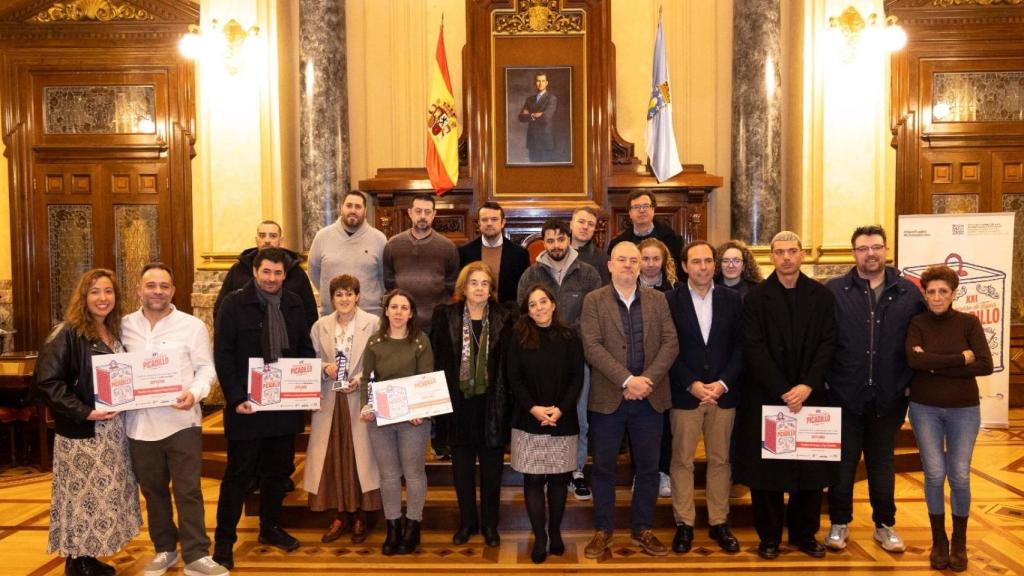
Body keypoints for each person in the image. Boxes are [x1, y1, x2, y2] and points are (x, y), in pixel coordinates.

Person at [734, 231, 837, 560]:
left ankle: (805, 534)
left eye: (792, 251)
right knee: (768, 473)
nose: (787, 257)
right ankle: (769, 537)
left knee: (810, 469)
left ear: (802, 254)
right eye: (780, 252)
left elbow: (829, 343)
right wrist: (782, 389)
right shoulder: (755, 298)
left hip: (810, 397)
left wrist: (807, 385)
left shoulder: (821, 296)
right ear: (771, 257)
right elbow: (753, 347)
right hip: (768, 396)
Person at [33, 268, 142, 576]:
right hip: (83, 431)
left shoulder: (114, 331)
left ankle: (88, 557)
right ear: (83, 297)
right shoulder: (67, 332)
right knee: (80, 497)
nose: (102, 298)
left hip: (113, 430)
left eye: (108, 291)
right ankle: (77, 561)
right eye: (95, 292)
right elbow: (48, 382)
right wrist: (85, 411)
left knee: (102, 496)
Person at [213, 248, 317, 570]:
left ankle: (270, 527)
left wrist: (305, 389)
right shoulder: (233, 304)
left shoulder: (294, 303)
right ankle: (224, 542)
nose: (272, 278)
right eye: (266, 272)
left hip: (284, 405)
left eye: (278, 273)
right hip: (247, 407)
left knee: (278, 471)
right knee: (239, 475)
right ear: (255, 272)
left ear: (285, 275)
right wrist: (235, 398)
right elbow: (223, 354)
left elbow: (304, 350)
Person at [121, 263, 228, 576]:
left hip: (182, 423)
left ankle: (196, 555)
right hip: (139, 425)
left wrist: (194, 393)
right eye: (151, 285)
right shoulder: (124, 326)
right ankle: (165, 549)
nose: (158, 291)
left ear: (173, 291)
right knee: (153, 492)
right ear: (139, 290)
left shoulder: (191, 326)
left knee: (188, 491)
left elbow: (206, 368)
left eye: (164, 286)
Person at [823, 226, 925, 554]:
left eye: (876, 247)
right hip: (844, 393)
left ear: (886, 250)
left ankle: (885, 525)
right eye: (863, 248)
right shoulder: (835, 290)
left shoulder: (908, 292)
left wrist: (909, 382)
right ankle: (839, 523)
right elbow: (822, 339)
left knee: (882, 463)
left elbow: (922, 339)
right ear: (854, 253)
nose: (871, 253)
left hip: (890, 395)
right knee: (843, 464)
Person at [580, 241, 679, 558]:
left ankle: (643, 528)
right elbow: (592, 347)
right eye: (621, 260)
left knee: (648, 468)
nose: (628, 265)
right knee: (603, 468)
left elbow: (671, 343)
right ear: (609, 265)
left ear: (640, 266)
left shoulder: (658, 300)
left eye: (633, 260)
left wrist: (645, 381)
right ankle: (603, 530)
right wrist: (627, 380)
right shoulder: (594, 300)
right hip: (609, 399)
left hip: (650, 397)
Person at [906, 265, 993, 572]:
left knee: (959, 476)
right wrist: (960, 359)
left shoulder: (969, 323)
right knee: (933, 474)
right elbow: (914, 360)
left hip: (964, 410)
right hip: (924, 409)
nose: (937, 297)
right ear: (924, 294)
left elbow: (984, 365)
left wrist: (933, 364)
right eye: (931, 291)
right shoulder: (917, 323)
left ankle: (959, 541)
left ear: (954, 293)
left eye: (943, 291)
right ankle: (939, 541)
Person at [665, 241, 744, 555]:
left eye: (708, 261)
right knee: (682, 460)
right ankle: (684, 523)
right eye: (696, 262)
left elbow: (741, 346)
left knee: (720, 460)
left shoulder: (732, 299)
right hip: (685, 394)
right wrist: (691, 383)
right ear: (685, 266)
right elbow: (666, 347)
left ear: (715, 264)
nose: (703, 267)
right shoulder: (669, 300)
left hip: (723, 394)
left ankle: (718, 521)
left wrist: (722, 384)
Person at [431, 262, 515, 547]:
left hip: (493, 405)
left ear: (491, 289)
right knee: (462, 471)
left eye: (484, 283)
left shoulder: (505, 317)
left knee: (492, 471)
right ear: (463, 287)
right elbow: (437, 361)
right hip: (458, 406)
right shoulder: (446, 315)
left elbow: (510, 365)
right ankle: (467, 523)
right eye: (473, 283)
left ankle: (490, 525)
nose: (479, 288)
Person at [516, 219, 601, 501]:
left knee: (577, 416)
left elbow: (593, 315)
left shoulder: (587, 273)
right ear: (543, 242)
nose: (555, 245)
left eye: (560, 239)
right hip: (538, 356)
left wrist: (570, 340)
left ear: (569, 238)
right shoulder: (531, 274)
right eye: (550, 240)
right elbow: (523, 313)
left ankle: (576, 470)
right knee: (543, 413)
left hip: (576, 355)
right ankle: (543, 469)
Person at [507, 284, 584, 564]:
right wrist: (535, 409)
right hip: (529, 419)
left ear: (553, 304)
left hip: (563, 419)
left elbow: (577, 378)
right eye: (532, 304)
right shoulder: (518, 338)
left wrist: (560, 410)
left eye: (543, 302)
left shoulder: (570, 337)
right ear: (527, 311)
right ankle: (540, 536)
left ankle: (555, 531)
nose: (539, 308)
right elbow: (513, 378)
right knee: (533, 479)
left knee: (559, 480)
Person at [306, 275, 382, 544]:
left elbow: (379, 360)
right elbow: (310, 361)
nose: (345, 299)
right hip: (331, 400)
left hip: (359, 398)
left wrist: (359, 380)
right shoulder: (320, 326)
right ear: (332, 298)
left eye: (349, 293)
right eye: (339, 294)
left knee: (360, 457)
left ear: (358, 296)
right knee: (334, 457)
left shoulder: (373, 323)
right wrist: (324, 368)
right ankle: (339, 515)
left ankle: (361, 515)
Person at [359, 290, 434, 555]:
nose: (399, 312)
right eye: (394, 307)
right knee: (389, 475)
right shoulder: (375, 342)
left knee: (413, 473)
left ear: (411, 313)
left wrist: (420, 409)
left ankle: (413, 526)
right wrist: (365, 406)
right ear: (386, 311)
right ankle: (393, 527)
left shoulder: (421, 341)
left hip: (413, 419)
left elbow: (426, 379)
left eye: (404, 308)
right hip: (381, 418)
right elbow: (367, 380)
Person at [214, 220, 318, 327]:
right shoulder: (238, 270)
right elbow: (221, 311)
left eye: (273, 236)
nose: (267, 240)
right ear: (256, 240)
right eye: (262, 236)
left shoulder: (296, 272)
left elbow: (309, 314)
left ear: (281, 241)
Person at [383, 193, 460, 331]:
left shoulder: (448, 247)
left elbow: (452, 284)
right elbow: (389, 281)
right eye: (418, 211)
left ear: (434, 214)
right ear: (410, 212)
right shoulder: (393, 244)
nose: (423, 216)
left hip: (437, 322)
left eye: (427, 212)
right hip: (402, 321)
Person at [308, 191, 388, 316]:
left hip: (370, 316)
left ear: (365, 211)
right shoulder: (322, 236)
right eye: (349, 205)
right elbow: (314, 272)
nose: (353, 210)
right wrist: (334, 296)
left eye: (358, 206)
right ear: (341, 208)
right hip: (331, 316)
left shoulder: (379, 239)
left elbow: (384, 277)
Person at [458, 201, 530, 304]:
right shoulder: (465, 252)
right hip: (475, 310)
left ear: (503, 223)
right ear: (479, 223)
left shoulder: (519, 254)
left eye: (494, 219)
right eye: (484, 220)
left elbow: (525, 290)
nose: (489, 223)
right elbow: (461, 288)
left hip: (508, 312)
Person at [606, 191, 683, 278]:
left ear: (653, 210)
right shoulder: (617, 243)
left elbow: (679, 274)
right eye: (636, 207)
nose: (641, 210)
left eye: (646, 206)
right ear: (630, 213)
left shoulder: (674, 240)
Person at [518, 71, 558, 162]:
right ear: (535, 83)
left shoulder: (551, 99)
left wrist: (529, 115)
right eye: (538, 81)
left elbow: (546, 118)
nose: (540, 83)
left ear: (546, 83)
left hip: (545, 141)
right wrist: (534, 115)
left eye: (543, 81)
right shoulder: (530, 99)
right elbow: (521, 117)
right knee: (533, 167)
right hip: (532, 140)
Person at [570, 206, 610, 285]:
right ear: (571, 225)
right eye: (581, 222)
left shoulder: (603, 260)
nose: (585, 227)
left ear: (594, 229)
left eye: (591, 224)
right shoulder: (558, 253)